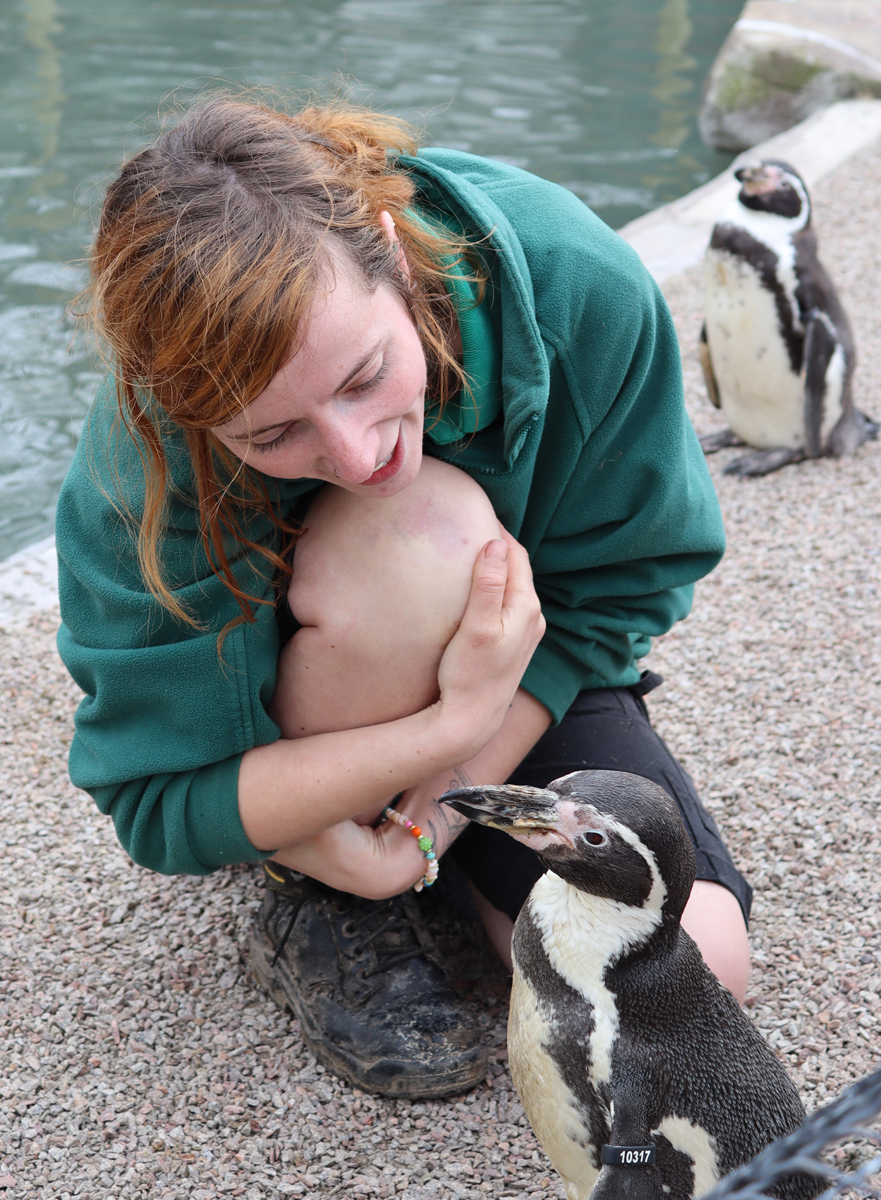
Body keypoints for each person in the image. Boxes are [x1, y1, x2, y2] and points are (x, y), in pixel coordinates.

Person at [56, 94, 752, 1101]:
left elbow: (618, 587)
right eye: (271, 437)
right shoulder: (145, 452)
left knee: (685, 985)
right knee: (410, 523)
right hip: (298, 740)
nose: (354, 452)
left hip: (519, 668)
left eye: (364, 375)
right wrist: (444, 732)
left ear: (387, 248)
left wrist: (436, 815)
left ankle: (427, 876)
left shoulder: (575, 285)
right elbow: (161, 799)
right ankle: (323, 896)